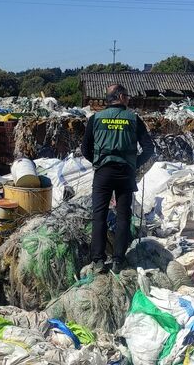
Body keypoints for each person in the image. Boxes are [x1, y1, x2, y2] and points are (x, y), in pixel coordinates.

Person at [81, 84, 155, 274]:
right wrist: (134, 164)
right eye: (127, 96)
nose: (129, 99)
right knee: (123, 217)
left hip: (103, 174)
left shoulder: (95, 119)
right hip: (125, 174)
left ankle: (98, 260)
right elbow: (149, 149)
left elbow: (85, 149)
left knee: (99, 215)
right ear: (121, 96)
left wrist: (98, 162)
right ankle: (118, 260)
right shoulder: (133, 119)